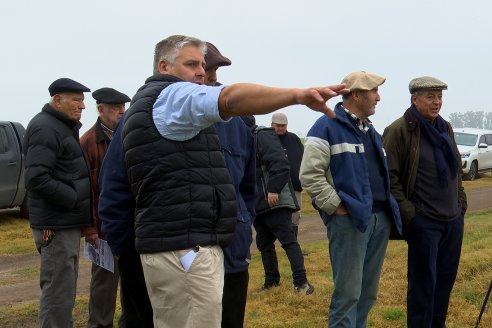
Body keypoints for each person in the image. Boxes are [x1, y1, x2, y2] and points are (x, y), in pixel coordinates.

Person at [121, 34, 348, 327]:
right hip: (186, 248)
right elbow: (229, 98)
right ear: (164, 67)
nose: (201, 71)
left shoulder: (153, 105)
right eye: (191, 64)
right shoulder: (174, 96)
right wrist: (297, 95)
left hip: (176, 245)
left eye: (202, 64)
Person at [300, 71, 402, 327]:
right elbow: (309, 176)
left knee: (367, 294)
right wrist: (335, 206)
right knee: (347, 296)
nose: (378, 98)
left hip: (379, 220)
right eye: (373, 92)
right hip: (350, 222)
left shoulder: (370, 131)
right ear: (355, 94)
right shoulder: (326, 126)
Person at [383, 76, 467, 328]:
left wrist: (461, 202)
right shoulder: (399, 130)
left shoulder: (445, 128)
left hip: (452, 220)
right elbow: (388, 177)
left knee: (444, 282)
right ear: (414, 99)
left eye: (439, 96)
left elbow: (455, 169)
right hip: (424, 222)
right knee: (423, 285)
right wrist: (411, 215)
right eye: (430, 96)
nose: (437, 102)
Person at [23, 77, 92, 327]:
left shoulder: (61, 126)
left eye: (83, 100)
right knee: (57, 294)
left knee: (64, 290)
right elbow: (36, 177)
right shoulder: (46, 127)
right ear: (57, 100)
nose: (82, 105)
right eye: (76, 99)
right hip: (56, 223)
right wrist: (73, 198)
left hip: (65, 221)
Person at [205, 41, 257, 328]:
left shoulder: (237, 123)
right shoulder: (155, 115)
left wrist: (243, 218)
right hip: (186, 251)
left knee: (231, 317)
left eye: (214, 70)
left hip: (232, 247)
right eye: (203, 68)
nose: (211, 76)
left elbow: (248, 185)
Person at [80, 87, 131, 328]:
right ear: (101, 110)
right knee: (104, 284)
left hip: (130, 225)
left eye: (123, 107)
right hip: (103, 228)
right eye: (116, 107)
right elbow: (87, 191)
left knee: (132, 281)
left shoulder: (130, 135)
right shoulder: (88, 142)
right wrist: (90, 229)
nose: (122, 111)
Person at [253, 118, 314, 294]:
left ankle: (301, 283)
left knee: (288, 241)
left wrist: (273, 190)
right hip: (258, 203)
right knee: (264, 244)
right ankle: (271, 282)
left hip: (275, 201)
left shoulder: (262, 136)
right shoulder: (248, 138)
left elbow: (281, 165)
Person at [270, 112, 304, 237]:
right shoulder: (267, 139)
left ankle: (293, 244)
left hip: (294, 186)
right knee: (275, 217)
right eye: (277, 125)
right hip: (275, 188)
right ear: (272, 124)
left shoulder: (294, 139)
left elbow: (303, 158)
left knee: (295, 217)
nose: (280, 128)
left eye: (283, 125)